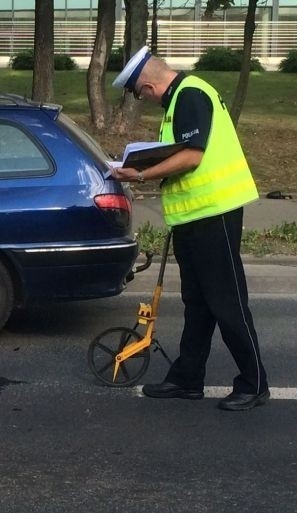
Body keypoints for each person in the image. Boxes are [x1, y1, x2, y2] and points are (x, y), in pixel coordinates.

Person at [111, 46, 268, 412]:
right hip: (194, 217)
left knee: (228, 304)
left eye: (138, 93)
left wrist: (141, 173)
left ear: (147, 85)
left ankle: (255, 383)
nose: (142, 100)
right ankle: (187, 379)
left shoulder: (191, 94)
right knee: (197, 304)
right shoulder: (180, 100)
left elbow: (192, 156)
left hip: (215, 215)